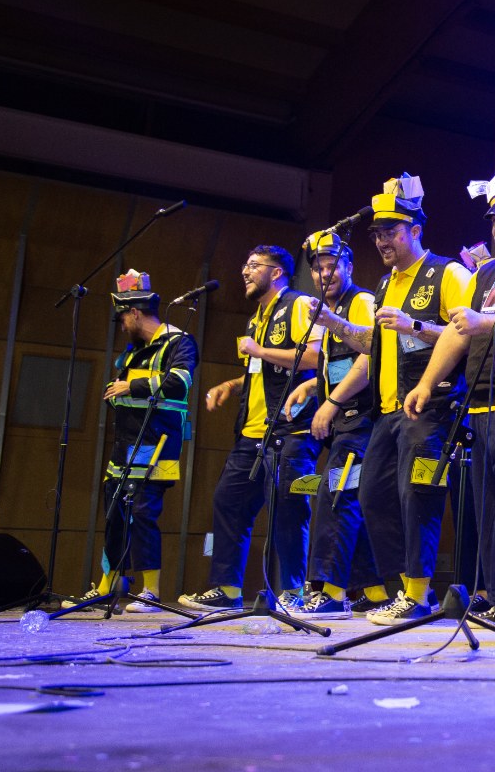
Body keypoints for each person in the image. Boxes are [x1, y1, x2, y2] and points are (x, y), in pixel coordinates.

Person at [312, 176, 471, 625]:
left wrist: (414, 326)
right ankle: (404, 591)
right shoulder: (385, 285)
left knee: (418, 497)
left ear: (416, 230)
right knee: (373, 497)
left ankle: (419, 595)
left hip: (431, 409)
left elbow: (466, 333)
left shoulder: (448, 273)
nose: (382, 240)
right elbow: (373, 346)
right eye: (377, 233)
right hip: (385, 413)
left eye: (391, 231)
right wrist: (334, 324)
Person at [404, 168, 495, 629]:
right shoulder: (486, 271)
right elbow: (457, 332)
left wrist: (482, 323)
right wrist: (427, 382)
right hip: (482, 405)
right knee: (488, 507)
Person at [180, 246, 322, 613]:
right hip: (252, 433)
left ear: (277, 273)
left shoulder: (298, 304)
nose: (245, 270)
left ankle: (294, 592)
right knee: (228, 502)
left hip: (293, 431)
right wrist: (232, 384)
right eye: (245, 264)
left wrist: (258, 350)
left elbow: (314, 357)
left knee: (290, 509)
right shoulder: (256, 318)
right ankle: (227, 589)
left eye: (254, 265)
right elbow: (262, 370)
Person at [79, 270, 197, 611]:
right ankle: (108, 585)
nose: (121, 326)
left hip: (157, 444)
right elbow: (122, 389)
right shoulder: (133, 352)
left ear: (134, 313)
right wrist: (116, 391)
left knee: (144, 514)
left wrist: (131, 386)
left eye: (122, 319)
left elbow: (179, 382)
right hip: (124, 445)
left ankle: (151, 592)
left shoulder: (178, 342)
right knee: (115, 515)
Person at [282, 231, 378, 620]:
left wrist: (332, 403)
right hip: (345, 424)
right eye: (319, 268)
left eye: (332, 265)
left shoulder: (360, 302)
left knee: (336, 497)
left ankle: (330, 593)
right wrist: (310, 387)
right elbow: (336, 364)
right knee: (352, 499)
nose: (325, 273)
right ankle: (376, 590)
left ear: (349, 266)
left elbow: (370, 356)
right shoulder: (328, 310)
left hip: (361, 422)